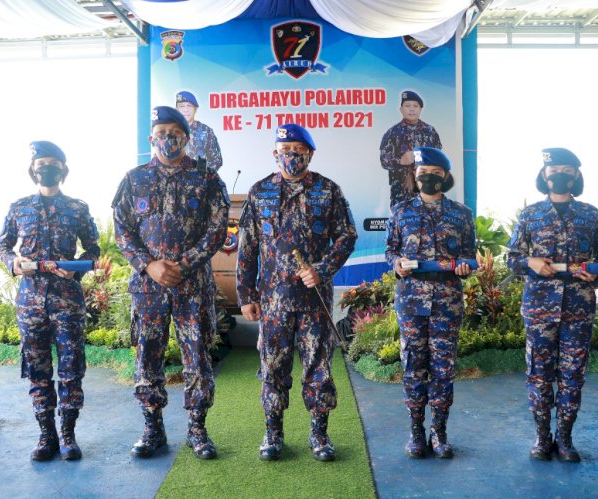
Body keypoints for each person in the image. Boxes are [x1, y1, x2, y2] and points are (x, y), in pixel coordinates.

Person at [112, 106, 229, 460]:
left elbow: (217, 228)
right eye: (161, 133)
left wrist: (183, 264)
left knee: (197, 358)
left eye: (174, 133)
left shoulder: (207, 179)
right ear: (151, 139)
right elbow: (122, 229)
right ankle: (153, 429)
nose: (167, 139)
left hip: (192, 286)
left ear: (186, 138)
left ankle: (198, 429)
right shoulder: (133, 180)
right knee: (148, 357)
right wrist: (149, 265)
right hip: (148, 288)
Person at [237, 124, 357, 462]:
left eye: (298, 149)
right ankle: (273, 434)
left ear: (310, 153)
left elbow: (347, 236)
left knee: (318, 369)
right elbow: (248, 248)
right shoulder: (259, 192)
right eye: (285, 149)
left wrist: (321, 269)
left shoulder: (327, 190)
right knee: (273, 368)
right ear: (275, 154)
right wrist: (246, 296)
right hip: (273, 301)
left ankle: (319, 434)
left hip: (314, 302)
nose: (292, 154)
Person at [507, 148, 598, 463]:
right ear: (544, 176)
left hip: (578, 309)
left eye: (567, 170)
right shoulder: (530, 216)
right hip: (540, 308)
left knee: (572, 374)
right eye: (554, 170)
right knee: (539, 374)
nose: (560, 175)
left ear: (577, 176)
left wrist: (591, 272)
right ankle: (542, 437)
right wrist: (531, 261)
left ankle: (565, 439)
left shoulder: (591, 215)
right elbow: (511, 258)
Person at [0, 141, 100, 461]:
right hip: (30, 301)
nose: (47, 169)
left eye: (53, 164)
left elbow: (93, 251)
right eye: (41, 164)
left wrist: (77, 269)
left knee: (71, 367)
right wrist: (12, 263)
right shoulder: (18, 208)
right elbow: (3, 246)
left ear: (64, 170)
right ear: (32, 170)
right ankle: (46, 436)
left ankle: (68, 435)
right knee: (37, 369)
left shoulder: (78, 209)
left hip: (66, 299)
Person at [385, 147, 475, 459]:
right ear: (415, 175)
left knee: (443, 368)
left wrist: (464, 265)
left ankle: (439, 432)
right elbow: (391, 250)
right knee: (413, 365)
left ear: (445, 176)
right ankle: (415, 432)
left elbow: (469, 255)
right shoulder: (400, 211)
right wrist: (396, 262)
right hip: (411, 302)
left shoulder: (461, 214)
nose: (428, 176)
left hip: (447, 302)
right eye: (423, 171)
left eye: (435, 172)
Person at [379, 90, 442, 209]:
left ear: (420, 109)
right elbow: (384, 160)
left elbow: (439, 158)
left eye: (415, 106)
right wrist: (400, 161)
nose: (411, 109)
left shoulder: (430, 131)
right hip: (401, 194)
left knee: (428, 225)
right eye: (407, 106)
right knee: (400, 226)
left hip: (427, 192)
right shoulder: (392, 133)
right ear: (401, 109)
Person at [176, 91, 223, 171]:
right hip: (176, 181)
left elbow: (217, 160)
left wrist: (202, 175)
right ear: (176, 109)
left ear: (195, 109)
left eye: (189, 106)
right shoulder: (170, 131)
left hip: (200, 180)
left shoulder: (206, 131)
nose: (185, 110)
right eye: (182, 106)